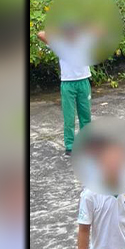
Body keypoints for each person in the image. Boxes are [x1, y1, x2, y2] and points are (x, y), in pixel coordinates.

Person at [37, 22, 98, 155]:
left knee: (85, 115)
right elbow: (40, 34)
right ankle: (70, 145)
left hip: (83, 81)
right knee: (69, 117)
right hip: (67, 84)